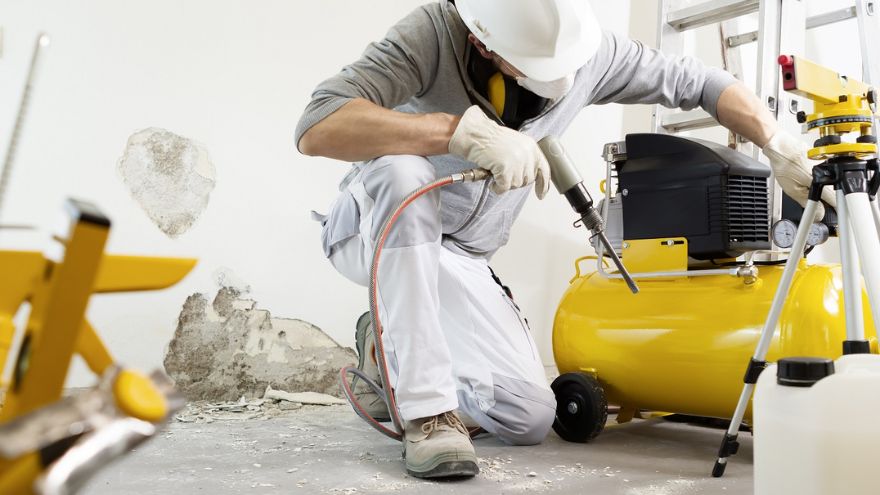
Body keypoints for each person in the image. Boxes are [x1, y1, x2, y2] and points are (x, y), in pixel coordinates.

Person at [295, 0, 834, 480]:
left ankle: (383, 352)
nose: (553, 87)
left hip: (462, 259)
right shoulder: (434, 31)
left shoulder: (590, 52)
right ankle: (424, 413)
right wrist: (453, 131)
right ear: (481, 42)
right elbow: (318, 124)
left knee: (528, 417)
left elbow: (702, 82)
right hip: (376, 231)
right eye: (529, 73)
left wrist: (777, 142)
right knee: (400, 172)